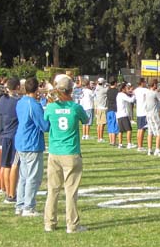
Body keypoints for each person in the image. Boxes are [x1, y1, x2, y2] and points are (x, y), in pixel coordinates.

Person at [43, 74, 89, 233]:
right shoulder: (75, 108)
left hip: (54, 152)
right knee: (71, 191)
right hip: (71, 152)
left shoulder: (50, 107)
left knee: (53, 189)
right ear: (70, 90)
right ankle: (72, 225)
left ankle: (49, 222)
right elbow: (86, 119)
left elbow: (46, 124)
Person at [14, 77, 50, 216]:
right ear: (36, 89)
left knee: (23, 176)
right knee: (33, 177)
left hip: (21, 141)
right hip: (31, 143)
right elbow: (44, 125)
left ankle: (20, 204)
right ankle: (28, 207)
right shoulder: (33, 105)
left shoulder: (21, 102)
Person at [0, 78, 21, 203]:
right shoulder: (18, 101)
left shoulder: (2, 99)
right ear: (17, 87)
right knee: (14, 165)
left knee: (6, 165)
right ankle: (12, 194)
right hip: (14, 136)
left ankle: (8, 192)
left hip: (5, 135)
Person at [143, 79, 160, 156]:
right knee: (159, 131)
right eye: (156, 84)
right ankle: (157, 149)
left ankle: (149, 149)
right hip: (154, 114)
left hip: (148, 114)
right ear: (154, 85)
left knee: (150, 132)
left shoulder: (147, 92)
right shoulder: (154, 93)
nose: (157, 85)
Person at [116, 83, 135, 149]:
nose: (127, 89)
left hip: (119, 115)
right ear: (123, 88)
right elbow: (131, 100)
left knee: (120, 131)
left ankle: (120, 144)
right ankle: (129, 144)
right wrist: (134, 94)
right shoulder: (122, 95)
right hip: (124, 114)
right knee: (129, 130)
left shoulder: (118, 95)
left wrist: (130, 93)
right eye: (126, 88)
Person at [133, 78, 150, 151]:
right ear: (142, 83)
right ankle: (140, 146)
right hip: (144, 112)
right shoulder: (145, 90)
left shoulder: (136, 90)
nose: (145, 83)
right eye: (145, 82)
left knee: (139, 129)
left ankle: (139, 145)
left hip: (139, 112)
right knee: (142, 130)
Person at [105, 77, 119, 146]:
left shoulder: (108, 91)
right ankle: (114, 141)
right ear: (115, 83)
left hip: (108, 109)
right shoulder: (116, 91)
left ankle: (111, 140)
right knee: (114, 125)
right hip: (114, 109)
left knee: (110, 125)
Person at [93, 78, 108, 143]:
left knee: (99, 124)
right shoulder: (103, 89)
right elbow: (109, 88)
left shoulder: (97, 88)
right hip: (103, 108)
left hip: (98, 107)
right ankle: (100, 138)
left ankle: (99, 137)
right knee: (102, 124)